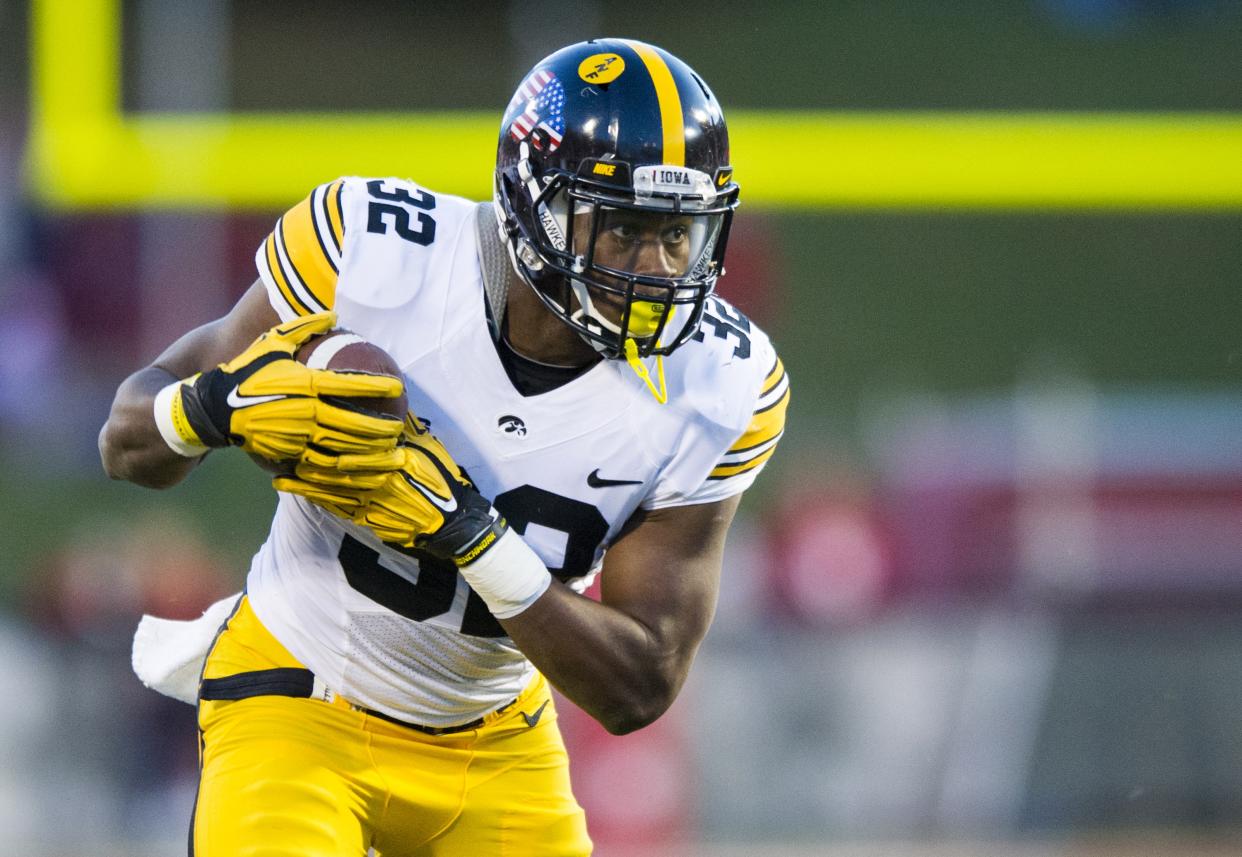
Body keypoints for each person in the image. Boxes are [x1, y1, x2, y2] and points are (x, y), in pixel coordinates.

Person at [100, 38, 790, 857]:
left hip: (496, 740)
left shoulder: (722, 385)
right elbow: (127, 440)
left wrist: (469, 534)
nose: (657, 268)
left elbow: (638, 685)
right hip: (300, 697)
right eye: (624, 230)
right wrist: (216, 405)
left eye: (680, 237)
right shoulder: (378, 255)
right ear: (534, 204)